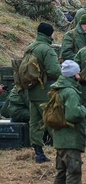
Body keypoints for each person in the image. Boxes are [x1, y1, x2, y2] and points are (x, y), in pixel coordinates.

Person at [50, 60, 86, 184]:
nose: (80, 75)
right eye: (78, 72)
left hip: (60, 138)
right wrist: (83, 109)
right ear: (74, 74)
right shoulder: (71, 92)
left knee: (60, 173)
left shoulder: (57, 89)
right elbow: (73, 114)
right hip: (71, 139)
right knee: (74, 172)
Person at [24, 23, 62, 163]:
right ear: (49, 34)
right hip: (45, 91)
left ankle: (39, 153)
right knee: (53, 120)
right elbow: (54, 71)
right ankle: (64, 153)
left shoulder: (30, 47)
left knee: (35, 123)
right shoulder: (47, 49)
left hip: (32, 90)